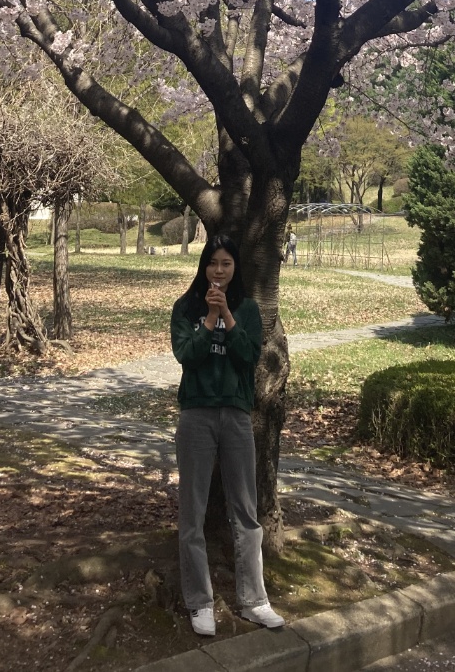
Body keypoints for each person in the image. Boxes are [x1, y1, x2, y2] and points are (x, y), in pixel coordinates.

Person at [170, 233, 285, 639]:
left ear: (235, 269)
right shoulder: (185, 308)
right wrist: (208, 320)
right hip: (196, 416)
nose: (219, 271)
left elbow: (249, 357)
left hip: (236, 418)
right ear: (203, 266)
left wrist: (229, 318)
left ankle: (254, 600)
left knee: (246, 513)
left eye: (226, 264)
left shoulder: (249, 310)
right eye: (212, 263)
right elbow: (187, 356)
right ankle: (199, 602)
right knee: (193, 514)